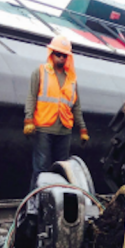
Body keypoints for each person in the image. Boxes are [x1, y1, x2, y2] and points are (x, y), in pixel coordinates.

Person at [24, 36, 89, 190]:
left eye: (64, 55)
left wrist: (83, 129)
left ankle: (57, 203)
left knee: (63, 169)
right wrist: (28, 120)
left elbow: (76, 106)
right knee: (41, 168)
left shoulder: (71, 79)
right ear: (51, 53)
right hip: (44, 129)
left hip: (64, 130)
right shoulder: (40, 72)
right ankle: (35, 204)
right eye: (58, 54)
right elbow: (31, 97)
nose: (61, 57)